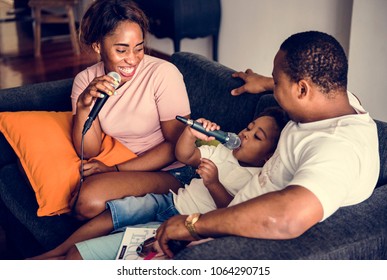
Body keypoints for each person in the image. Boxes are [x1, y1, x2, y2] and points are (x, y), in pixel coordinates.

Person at [153, 30, 379, 258]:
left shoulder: (337, 148)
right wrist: (267, 83)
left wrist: (195, 224)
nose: (276, 89)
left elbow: (289, 217)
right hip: (226, 215)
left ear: (302, 89)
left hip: (227, 242)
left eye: (279, 82)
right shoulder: (339, 99)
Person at [28, 107, 289, 260]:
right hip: (170, 200)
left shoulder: (256, 180)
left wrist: (214, 184)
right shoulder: (221, 150)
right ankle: (56, 251)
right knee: (119, 212)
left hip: (185, 220)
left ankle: (75, 253)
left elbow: (234, 212)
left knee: (125, 237)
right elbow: (183, 155)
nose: (245, 133)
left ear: (269, 155)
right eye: (249, 126)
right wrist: (191, 132)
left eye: (257, 136)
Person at [69, 0, 194, 221]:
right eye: (121, 50)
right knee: (79, 199)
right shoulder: (85, 81)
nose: (133, 59)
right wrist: (83, 108)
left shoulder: (163, 73)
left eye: (139, 48)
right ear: (98, 46)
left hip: (171, 171)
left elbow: (177, 146)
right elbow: (89, 151)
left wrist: (115, 170)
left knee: (88, 201)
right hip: (125, 168)